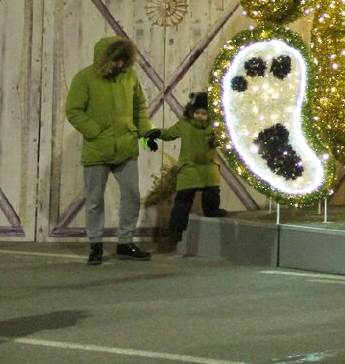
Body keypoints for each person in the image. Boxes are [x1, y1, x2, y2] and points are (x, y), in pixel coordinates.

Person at [64, 36, 156, 265]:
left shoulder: (129, 76)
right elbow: (73, 111)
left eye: (124, 60)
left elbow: (140, 107)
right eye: (117, 60)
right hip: (97, 150)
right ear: (106, 58)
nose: (120, 65)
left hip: (126, 147)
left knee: (132, 195)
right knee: (95, 200)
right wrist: (96, 132)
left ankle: (125, 242)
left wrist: (145, 133)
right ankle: (95, 245)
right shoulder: (84, 78)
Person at [159, 92, 226, 245]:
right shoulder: (185, 124)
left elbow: (223, 140)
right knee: (183, 200)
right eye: (197, 112)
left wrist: (217, 141)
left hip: (208, 167)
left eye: (203, 113)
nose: (200, 116)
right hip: (189, 167)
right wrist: (156, 132)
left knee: (212, 193)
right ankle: (175, 232)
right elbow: (169, 134)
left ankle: (212, 210)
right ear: (191, 111)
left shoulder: (214, 127)